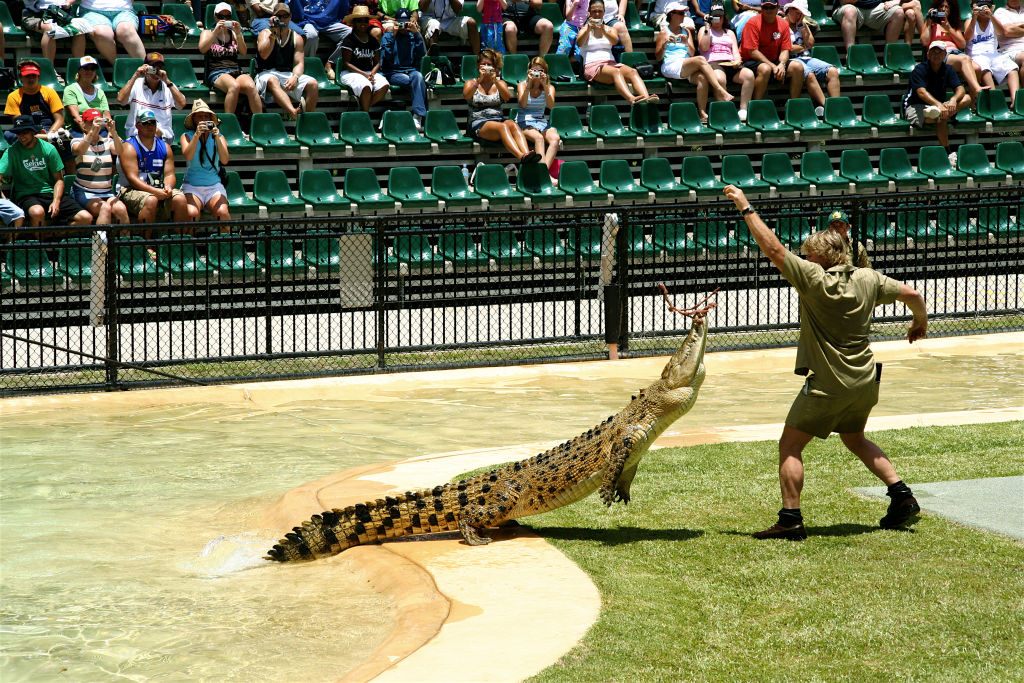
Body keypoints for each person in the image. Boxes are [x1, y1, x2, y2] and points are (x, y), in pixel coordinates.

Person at [723, 184, 928, 540]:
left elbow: (772, 249)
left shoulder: (814, 279)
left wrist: (745, 207)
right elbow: (913, 294)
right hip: (865, 381)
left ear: (821, 258)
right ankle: (902, 495)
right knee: (855, 438)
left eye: (808, 255)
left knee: (790, 445)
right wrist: (919, 322)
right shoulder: (868, 278)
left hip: (830, 384)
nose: (804, 260)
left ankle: (790, 519)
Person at [0, 116, 93, 230]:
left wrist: (56, 201)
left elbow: (59, 180)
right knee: (37, 212)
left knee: (85, 218)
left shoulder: (49, 149)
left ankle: (51, 238)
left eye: (25, 132)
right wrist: (3, 198)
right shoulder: (12, 151)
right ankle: (42, 245)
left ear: (34, 132)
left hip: (50, 192)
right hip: (26, 194)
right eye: (18, 133)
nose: (21, 136)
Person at [117, 110, 196, 227]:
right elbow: (132, 178)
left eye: (153, 123)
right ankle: (146, 243)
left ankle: (178, 241)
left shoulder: (165, 146)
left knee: (179, 198)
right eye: (145, 123)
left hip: (157, 188)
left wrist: (168, 188)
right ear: (137, 126)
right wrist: (154, 191)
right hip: (130, 189)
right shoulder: (128, 146)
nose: (150, 126)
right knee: (151, 199)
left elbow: (169, 175)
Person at [657, 2, 733, 122]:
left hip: (685, 63)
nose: (684, 15)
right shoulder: (663, 32)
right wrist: (665, 44)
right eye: (681, 13)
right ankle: (719, 89)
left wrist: (687, 43)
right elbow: (658, 57)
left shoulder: (686, 31)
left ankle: (702, 113)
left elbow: (692, 53)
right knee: (701, 59)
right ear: (672, 15)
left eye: (684, 13)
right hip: (670, 65)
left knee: (702, 78)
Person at [463, 48, 539, 162]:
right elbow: (467, 96)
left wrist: (495, 81)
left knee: (512, 124)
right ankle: (520, 156)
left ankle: (527, 154)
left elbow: (507, 97)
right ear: (478, 66)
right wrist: (479, 80)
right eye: (483, 64)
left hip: (498, 118)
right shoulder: (471, 82)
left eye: (489, 64)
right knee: (503, 127)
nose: (486, 67)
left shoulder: (500, 83)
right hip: (479, 122)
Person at [578, 0, 654, 105]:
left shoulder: (610, 29)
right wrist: (588, 29)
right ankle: (631, 99)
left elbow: (614, 41)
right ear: (589, 12)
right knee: (616, 72)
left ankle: (647, 98)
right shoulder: (584, 29)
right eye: (594, 11)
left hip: (611, 63)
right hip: (592, 65)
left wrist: (603, 29)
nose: (597, 14)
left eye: (600, 11)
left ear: (604, 12)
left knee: (633, 72)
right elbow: (579, 43)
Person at [901, 43, 970, 159]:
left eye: (940, 53)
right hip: (915, 107)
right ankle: (947, 152)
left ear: (944, 54)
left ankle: (942, 113)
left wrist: (953, 99)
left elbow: (960, 88)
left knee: (966, 98)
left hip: (938, 107)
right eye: (933, 52)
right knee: (940, 116)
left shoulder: (948, 69)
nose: (936, 55)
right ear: (928, 54)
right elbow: (921, 93)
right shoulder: (919, 69)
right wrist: (939, 105)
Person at [5, 61, 74, 172]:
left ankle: (71, 182)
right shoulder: (13, 96)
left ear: (39, 77)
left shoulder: (49, 92)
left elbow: (59, 119)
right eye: (27, 76)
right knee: (9, 135)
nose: (31, 79)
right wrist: (39, 134)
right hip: (26, 129)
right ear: (20, 77)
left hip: (50, 129)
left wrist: (50, 133)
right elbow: (18, 123)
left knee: (66, 143)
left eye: (34, 75)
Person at [255, 3, 320, 118]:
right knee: (272, 80)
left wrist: (295, 77)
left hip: (286, 72)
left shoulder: (297, 38)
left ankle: (307, 122)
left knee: (313, 84)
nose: (282, 19)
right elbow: (264, 55)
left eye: (285, 16)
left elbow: (299, 63)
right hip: (265, 73)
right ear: (273, 17)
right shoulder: (265, 34)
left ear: (290, 17)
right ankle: (294, 113)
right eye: (278, 16)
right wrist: (273, 34)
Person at [201, 3, 263, 117]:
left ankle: (260, 123)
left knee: (251, 86)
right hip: (217, 71)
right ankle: (230, 124)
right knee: (234, 86)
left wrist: (239, 33)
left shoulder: (234, 33)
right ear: (215, 17)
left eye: (227, 17)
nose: (224, 19)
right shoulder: (207, 33)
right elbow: (203, 49)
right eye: (221, 16)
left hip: (235, 70)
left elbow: (243, 52)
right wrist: (215, 32)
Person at [70, 108, 129, 227]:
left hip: (106, 191)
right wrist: (91, 133)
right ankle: (100, 245)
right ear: (84, 124)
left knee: (121, 209)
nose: (95, 125)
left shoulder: (107, 141)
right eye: (91, 122)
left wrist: (113, 130)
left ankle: (124, 245)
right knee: (105, 208)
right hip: (84, 191)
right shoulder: (77, 140)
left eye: (97, 122)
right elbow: (79, 150)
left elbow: (120, 150)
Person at [739, 0, 807, 103]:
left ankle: (794, 106)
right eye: (765, 7)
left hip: (773, 60)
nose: (768, 10)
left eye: (772, 7)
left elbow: (785, 50)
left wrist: (782, 65)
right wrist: (773, 66)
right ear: (761, 8)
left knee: (797, 67)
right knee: (765, 69)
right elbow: (753, 52)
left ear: (778, 8)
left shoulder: (783, 23)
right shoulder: (752, 23)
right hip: (750, 60)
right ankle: (755, 107)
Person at [697, 4, 757, 120]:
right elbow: (704, 47)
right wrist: (707, 27)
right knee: (720, 78)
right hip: (713, 62)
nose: (718, 19)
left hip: (729, 63)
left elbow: (735, 51)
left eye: (720, 16)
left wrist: (738, 61)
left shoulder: (729, 32)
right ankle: (723, 110)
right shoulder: (704, 30)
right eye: (715, 16)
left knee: (748, 75)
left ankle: (743, 110)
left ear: (724, 17)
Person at [116, 52, 187, 144]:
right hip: (137, 131)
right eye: (153, 67)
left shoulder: (168, 86)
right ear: (146, 67)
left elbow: (181, 105)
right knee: (145, 133)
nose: (157, 70)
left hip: (163, 133)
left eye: (160, 67)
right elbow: (121, 100)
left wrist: (167, 81)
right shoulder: (136, 83)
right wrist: (135, 76)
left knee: (153, 132)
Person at [922, 0, 988, 99]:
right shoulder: (930, 24)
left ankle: (972, 102)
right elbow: (924, 41)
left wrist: (949, 28)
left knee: (977, 68)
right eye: (941, 6)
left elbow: (962, 44)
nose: (943, 9)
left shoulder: (952, 25)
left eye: (946, 7)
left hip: (955, 53)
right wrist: (929, 20)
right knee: (965, 59)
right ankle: (977, 88)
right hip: (939, 54)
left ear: (950, 10)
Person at [180, 100, 231, 225]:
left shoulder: (220, 136)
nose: (203, 118)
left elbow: (225, 160)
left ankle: (225, 243)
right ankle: (189, 243)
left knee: (223, 213)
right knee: (191, 214)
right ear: (194, 119)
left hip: (213, 186)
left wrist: (217, 138)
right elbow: (188, 156)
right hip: (192, 186)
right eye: (199, 116)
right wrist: (197, 135)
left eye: (206, 116)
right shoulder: (186, 136)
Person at [785, 0, 840, 116]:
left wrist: (801, 26)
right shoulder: (781, 24)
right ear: (790, 9)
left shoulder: (802, 24)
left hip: (806, 58)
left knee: (833, 71)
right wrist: (803, 47)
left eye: (801, 14)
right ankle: (830, 109)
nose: (799, 16)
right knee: (809, 75)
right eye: (797, 13)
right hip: (790, 60)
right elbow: (788, 48)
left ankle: (836, 105)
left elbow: (810, 43)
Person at [381, 8, 428, 130]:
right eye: (401, 23)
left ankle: (417, 115)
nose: (403, 26)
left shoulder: (412, 36)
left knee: (418, 77)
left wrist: (417, 33)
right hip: (393, 72)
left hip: (411, 70)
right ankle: (421, 118)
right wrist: (393, 36)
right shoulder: (387, 36)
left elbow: (422, 54)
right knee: (419, 84)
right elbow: (385, 57)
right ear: (396, 22)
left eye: (406, 23)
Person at [966, 0, 1020, 102]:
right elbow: (967, 38)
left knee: (1012, 68)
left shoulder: (993, 21)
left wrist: (991, 16)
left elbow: (1001, 32)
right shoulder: (969, 21)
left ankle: (1015, 101)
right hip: (976, 55)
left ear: (991, 8)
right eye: (980, 8)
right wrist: (974, 17)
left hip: (993, 54)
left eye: (986, 8)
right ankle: (996, 102)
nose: (983, 11)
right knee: (985, 69)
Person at [340, 5, 390, 113]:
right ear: (354, 23)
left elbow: (377, 62)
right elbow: (347, 63)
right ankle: (365, 116)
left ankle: (362, 111)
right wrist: (365, 74)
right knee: (366, 85)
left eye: (365, 21)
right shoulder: (349, 40)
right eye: (359, 21)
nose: (363, 24)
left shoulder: (373, 40)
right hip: (350, 73)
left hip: (369, 72)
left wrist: (372, 73)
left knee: (384, 85)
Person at [516, 57, 561, 174]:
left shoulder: (550, 87)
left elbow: (550, 106)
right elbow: (523, 104)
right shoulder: (522, 85)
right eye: (534, 70)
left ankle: (543, 173)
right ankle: (544, 175)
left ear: (545, 72)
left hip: (541, 121)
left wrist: (545, 86)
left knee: (555, 139)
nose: (537, 74)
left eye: (540, 71)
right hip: (523, 120)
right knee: (539, 138)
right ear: (529, 71)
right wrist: (529, 85)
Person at [290, 0, 352, 80]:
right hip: (308, 21)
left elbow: (342, 8)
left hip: (329, 22)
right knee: (311, 35)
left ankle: (330, 64)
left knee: (350, 33)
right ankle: (308, 66)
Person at [79, 0, 147, 65]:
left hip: (124, 10)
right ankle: (119, 67)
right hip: (92, 11)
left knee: (127, 30)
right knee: (102, 33)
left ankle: (147, 68)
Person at [833, 0, 911, 54]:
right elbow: (844, 1)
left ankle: (889, 54)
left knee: (898, 12)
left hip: (874, 7)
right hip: (848, 7)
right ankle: (851, 54)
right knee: (849, 11)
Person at [21, 0, 87, 63]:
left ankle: (79, 68)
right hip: (35, 15)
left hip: (60, 13)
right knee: (50, 29)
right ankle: (50, 69)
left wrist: (69, 2)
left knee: (79, 29)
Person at [63, 56, 112, 134]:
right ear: (79, 71)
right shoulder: (70, 90)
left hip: (99, 128)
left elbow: (106, 116)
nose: (89, 71)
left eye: (92, 69)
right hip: (77, 129)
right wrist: (89, 134)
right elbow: (75, 117)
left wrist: (111, 132)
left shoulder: (100, 92)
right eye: (86, 68)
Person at [993, 0, 1024, 86]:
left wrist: (1016, 27)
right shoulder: (1001, 12)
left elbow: (1011, 29)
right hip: (1011, 50)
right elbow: (1007, 31)